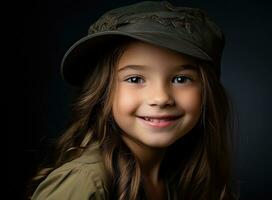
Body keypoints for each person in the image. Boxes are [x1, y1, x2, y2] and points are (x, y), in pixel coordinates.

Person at [28, 1, 239, 199]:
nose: (161, 98)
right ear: (103, 92)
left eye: (181, 79)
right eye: (135, 78)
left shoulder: (180, 177)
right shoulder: (85, 181)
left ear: (206, 91)